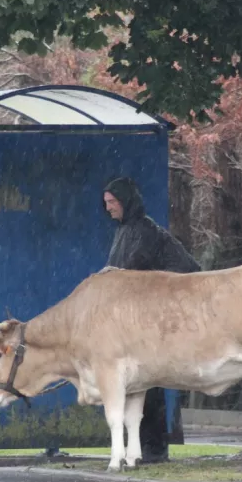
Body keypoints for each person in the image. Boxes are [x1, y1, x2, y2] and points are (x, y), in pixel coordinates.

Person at [102, 176, 200, 463]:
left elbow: (135, 271)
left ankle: (155, 448)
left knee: (150, 383)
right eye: (106, 203)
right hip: (140, 316)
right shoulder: (124, 230)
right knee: (143, 381)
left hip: (154, 316)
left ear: (125, 201)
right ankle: (146, 447)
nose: (108, 208)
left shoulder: (145, 231)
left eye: (113, 202)